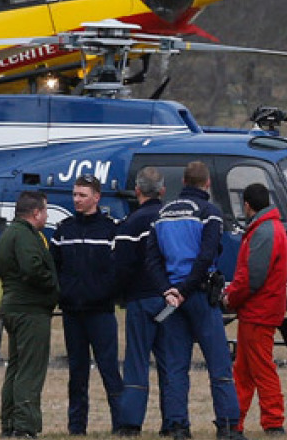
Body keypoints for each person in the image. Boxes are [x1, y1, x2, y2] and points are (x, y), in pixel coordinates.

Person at [147, 161, 244, 440]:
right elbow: (207, 255)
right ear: (207, 184)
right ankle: (228, 426)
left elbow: (152, 259)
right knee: (219, 364)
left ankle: (178, 426)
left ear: (184, 182)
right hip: (199, 295)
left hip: (172, 300)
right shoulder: (209, 213)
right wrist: (188, 289)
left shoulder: (161, 214)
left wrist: (169, 290)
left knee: (176, 366)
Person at [50, 173, 125, 435]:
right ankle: (76, 427)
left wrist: (102, 295)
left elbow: (117, 272)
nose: (77, 200)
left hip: (101, 313)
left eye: (82, 195)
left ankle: (121, 424)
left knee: (109, 370)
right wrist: (64, 294)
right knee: (77, 373)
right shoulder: (64, 229)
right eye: (74, 194)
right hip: (72, 312)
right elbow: (54, 266)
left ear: (96, 197)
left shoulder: (110, 229)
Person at [222, 183, 287, 436]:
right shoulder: (271, 227)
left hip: (259, 312)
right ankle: (234, 422)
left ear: (247, 205)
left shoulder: (264, 231)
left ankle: (273, 423)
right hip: (261, 311)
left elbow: (252, 276)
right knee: (245, 370)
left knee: (260, 369)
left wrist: (230, 299)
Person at [0, 190, 61, 439]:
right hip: (30, 310)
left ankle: (9, 423)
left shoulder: (9, 234)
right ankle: (24, 427)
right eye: (45, 211)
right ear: (36, 213)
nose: (46, 215)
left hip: (13, 307)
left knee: (15, 367)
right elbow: (32, 268)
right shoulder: (25, 236)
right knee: (30, 370)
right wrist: (53, 286)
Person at [115, 166, 171, 436]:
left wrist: (121, 294)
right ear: (162, 191)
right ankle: (173, 421)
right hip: (170, 300)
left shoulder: (132, 223)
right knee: (170, 363)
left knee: (137, 361)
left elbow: (122, 264)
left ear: (137, 191)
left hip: (140, 299)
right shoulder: (171, 219)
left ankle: (130, 423)